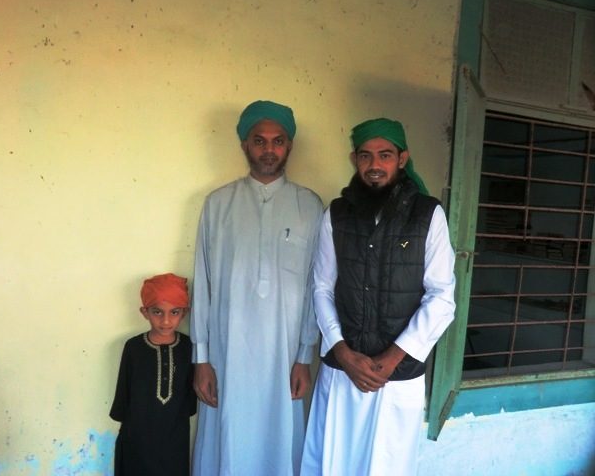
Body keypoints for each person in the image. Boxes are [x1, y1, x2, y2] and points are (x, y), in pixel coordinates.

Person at [300, 118, 456, 475]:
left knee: (386, 466)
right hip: (342, 371)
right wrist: (342, 351)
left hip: (398, 376)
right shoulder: (337, 214)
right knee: (332, 462)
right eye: (365, 156)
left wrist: (392, 358)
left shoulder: (427, 214)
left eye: (385, 155)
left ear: (402, 159)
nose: (374, 165)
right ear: (354, 159)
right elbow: (321, 287)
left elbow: (442, 297)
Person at [190, 100, 324, 475]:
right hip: (226, 353)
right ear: (245, 145)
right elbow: (202, 282)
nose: (269, 150)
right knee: (227, 438)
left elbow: (316, 287)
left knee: (280, 440)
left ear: (289, 145)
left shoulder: (310, 206)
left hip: (284, 356)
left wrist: (304, 355)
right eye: (259, 140)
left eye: (278, 141)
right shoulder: (218, 204)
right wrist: (201, 359)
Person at [110, 273, 196, 476]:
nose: (166, 320)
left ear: (184, 313)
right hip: (137, 438)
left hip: (175, 438)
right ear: (144, 312)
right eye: (157, 312)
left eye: (174, 312)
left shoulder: (189, 347)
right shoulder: (134, 347)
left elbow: (190, 401)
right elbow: (124, 392)